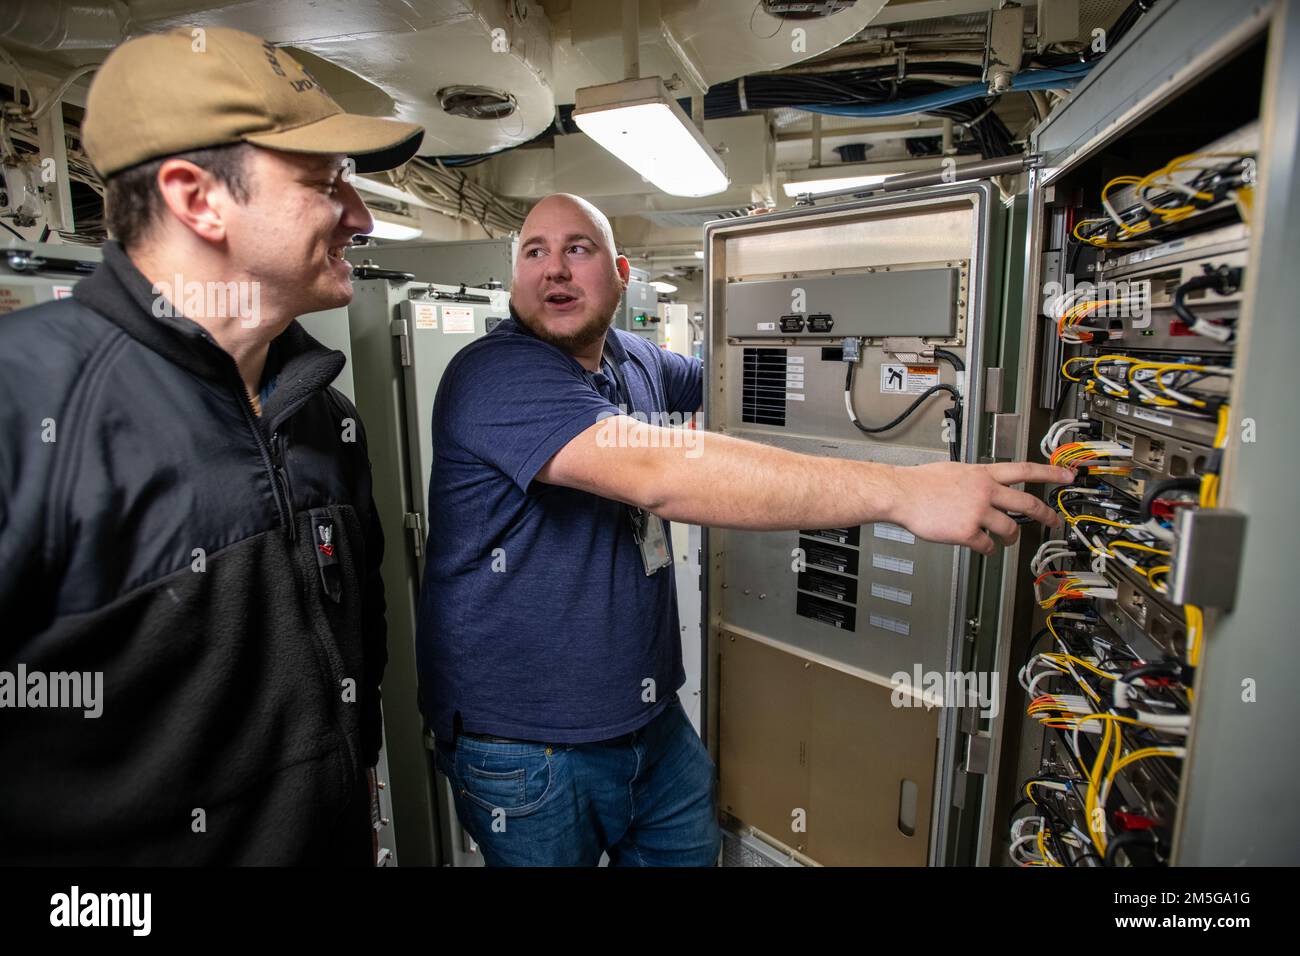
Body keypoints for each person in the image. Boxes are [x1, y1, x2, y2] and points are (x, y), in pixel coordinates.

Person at [417, 192, 1073, 866]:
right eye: (535, 252)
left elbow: (735, 385)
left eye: (576, 249)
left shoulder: (632, 359)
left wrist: (827, 316)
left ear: (620, 272)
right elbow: (659, 474)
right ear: (515, 276)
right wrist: (904, 491)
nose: (554, 269)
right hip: (528, 748)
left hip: (650, 721)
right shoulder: (494, 375)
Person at [0, 27, 423, 864]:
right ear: (198, 198)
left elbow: (357, 650)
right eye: (326, 183)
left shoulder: (325, 416)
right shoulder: (27, 404)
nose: (362, 216)